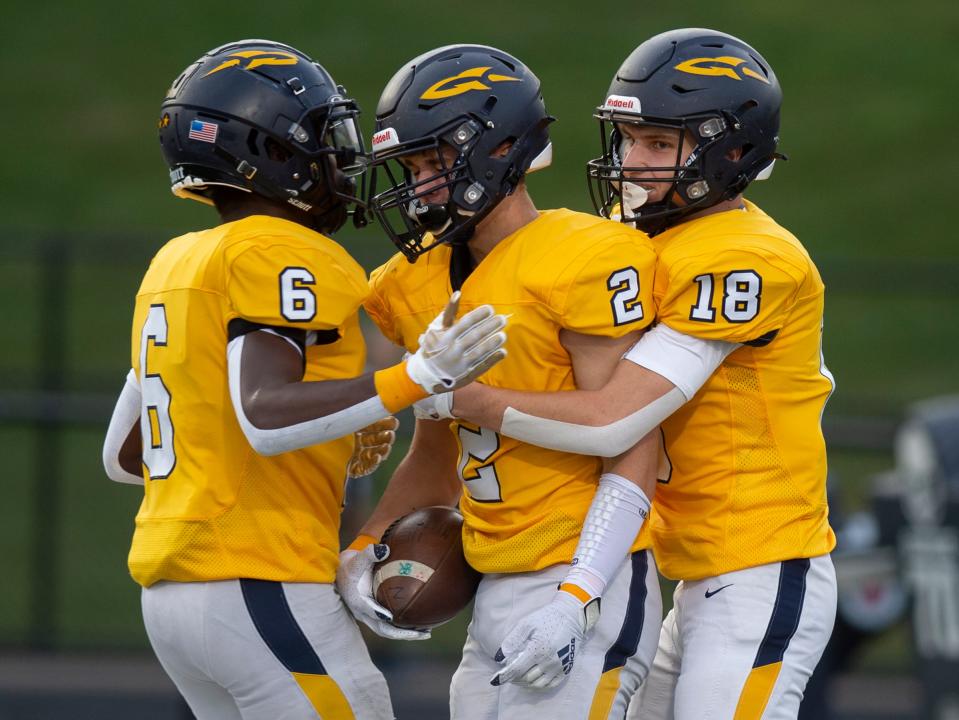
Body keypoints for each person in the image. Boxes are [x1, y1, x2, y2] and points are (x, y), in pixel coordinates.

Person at [424, 29, 839, 720]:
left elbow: (617, 416)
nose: (631, 162)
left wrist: (457, 395)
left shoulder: (747, 255)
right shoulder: (645, 241)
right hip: (692, 572)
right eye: (626, 139)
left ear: (730, 150)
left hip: (762, 567)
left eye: (657, 144)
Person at [100, 39, 507, 720]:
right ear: (273, 152)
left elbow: (126, 454)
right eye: (323, 138)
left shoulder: (177, 259)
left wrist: (329, 432)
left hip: (172, 597)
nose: (339, 159)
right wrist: (419, 375)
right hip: (259, 582)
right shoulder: (284, 250)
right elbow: (264, 415)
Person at [335, 44, 663, 720]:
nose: (418, 184)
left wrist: (576, 597)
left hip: (586, 575)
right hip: (491, 577)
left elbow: (631, 440)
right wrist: (366, 546)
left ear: (502, 150)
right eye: (411, 166)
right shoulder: (413, 283)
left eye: (434, 162)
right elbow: (435, 456)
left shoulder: (581, 258)